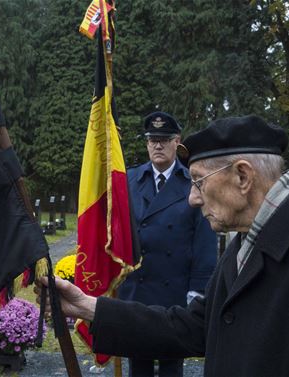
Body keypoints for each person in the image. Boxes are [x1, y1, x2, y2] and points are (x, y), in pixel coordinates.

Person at [37, 115, 289, 377]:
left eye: (197, 182)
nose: (192, 199)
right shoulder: (247, 243)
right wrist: (87, 307)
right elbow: (192, 327)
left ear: (242, 177)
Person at [118, 111, 216, 377]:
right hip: (136, 290)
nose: (157, 145)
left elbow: (205, 245)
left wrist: (197, 293)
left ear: (177, 142)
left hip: (174, 291)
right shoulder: (129, 180)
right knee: (138, 364)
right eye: (152, 140)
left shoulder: (193, 183)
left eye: (164, 139)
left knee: (172, 365)